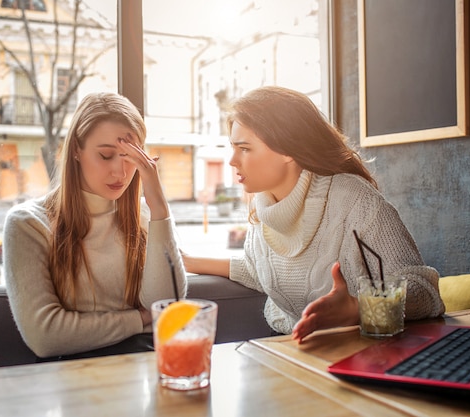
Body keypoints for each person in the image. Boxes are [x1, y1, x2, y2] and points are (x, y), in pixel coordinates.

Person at [183, 86, 445, 343]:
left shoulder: (353, 200)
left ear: (286, 150)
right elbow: (261, 270)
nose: (231, 160)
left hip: (359, 349)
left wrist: (358, 308)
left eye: (244, 148)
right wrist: (188, 262)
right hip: (286, 348)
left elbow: (425, 291)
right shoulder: (262, 206)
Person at [3, 92, 186, 360]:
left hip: (145, 372)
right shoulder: (29, 224)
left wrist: (159, 207)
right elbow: (45, 336)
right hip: (76, 380)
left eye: (129, 157)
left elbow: (165, 307)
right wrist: (138, 321)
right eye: (105, 155)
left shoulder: (148, 217)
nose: (120, 172)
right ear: (76, 150)